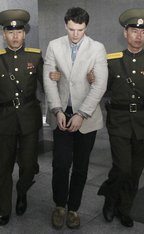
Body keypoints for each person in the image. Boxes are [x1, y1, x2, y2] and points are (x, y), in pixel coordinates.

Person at [43, 7, 108, 229]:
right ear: (65, 25)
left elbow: (100, 84)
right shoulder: (54, 45)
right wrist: (57, 110)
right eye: (71, 29)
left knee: (81, 166)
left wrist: (82, 114)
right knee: (60, 164)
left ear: (86, 27)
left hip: (86, 118)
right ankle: (60, 206)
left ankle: (73, 209)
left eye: (80, 29)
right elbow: (49, 80)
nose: (75, 34)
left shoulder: (97, 48)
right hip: (61, 113)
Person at [97, 8, 144, 228]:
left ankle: (124, 208)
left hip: (143, 122)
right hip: (119, 121)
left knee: (135, 171)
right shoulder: (112, 61)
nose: (139, 35)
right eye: (134, 30)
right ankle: (110, 198)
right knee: (123, 168)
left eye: (143, 31)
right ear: (125, 33)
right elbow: (101, 89)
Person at [0, 9, 44, 225]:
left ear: (25, 34)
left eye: (19, 31)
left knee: (28, 165)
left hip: (29, 119)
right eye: (10, 32)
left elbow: (48, 86)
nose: (15, 36)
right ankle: (4, 207)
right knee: (3, 166)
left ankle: (23, 190)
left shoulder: (35, 56)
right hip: (4, 119)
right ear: (3, 35)